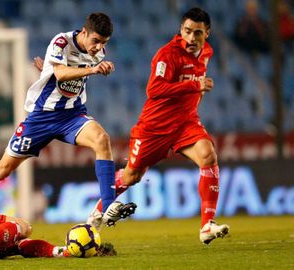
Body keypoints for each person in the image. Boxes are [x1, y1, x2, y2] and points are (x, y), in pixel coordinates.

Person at [0, 12, 136, 226]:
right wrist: (91, 69)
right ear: (84, 32)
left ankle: (107, 207)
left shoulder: (97, 52)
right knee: (2, 170)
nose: (98, 47)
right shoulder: (61, 41)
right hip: (41, 118)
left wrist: (47, 70)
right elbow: (60, 74)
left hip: (72, 116)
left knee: (102, 140)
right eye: (95, 41)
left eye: (103, 43)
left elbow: (64, 75)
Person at [87, 7, 230, 244]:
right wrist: (194, 87)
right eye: (187, 31)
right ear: (180, 30)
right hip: (155, 127)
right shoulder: (167, 55)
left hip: (185, 122)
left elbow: (195, 82)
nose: (192, 38)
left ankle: (207, 225)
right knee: (132, 176)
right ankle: (97, 212)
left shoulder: (207, 52)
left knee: (208, 155)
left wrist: (193, 102)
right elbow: (154, 90)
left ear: (207, 33)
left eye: (198, 33)